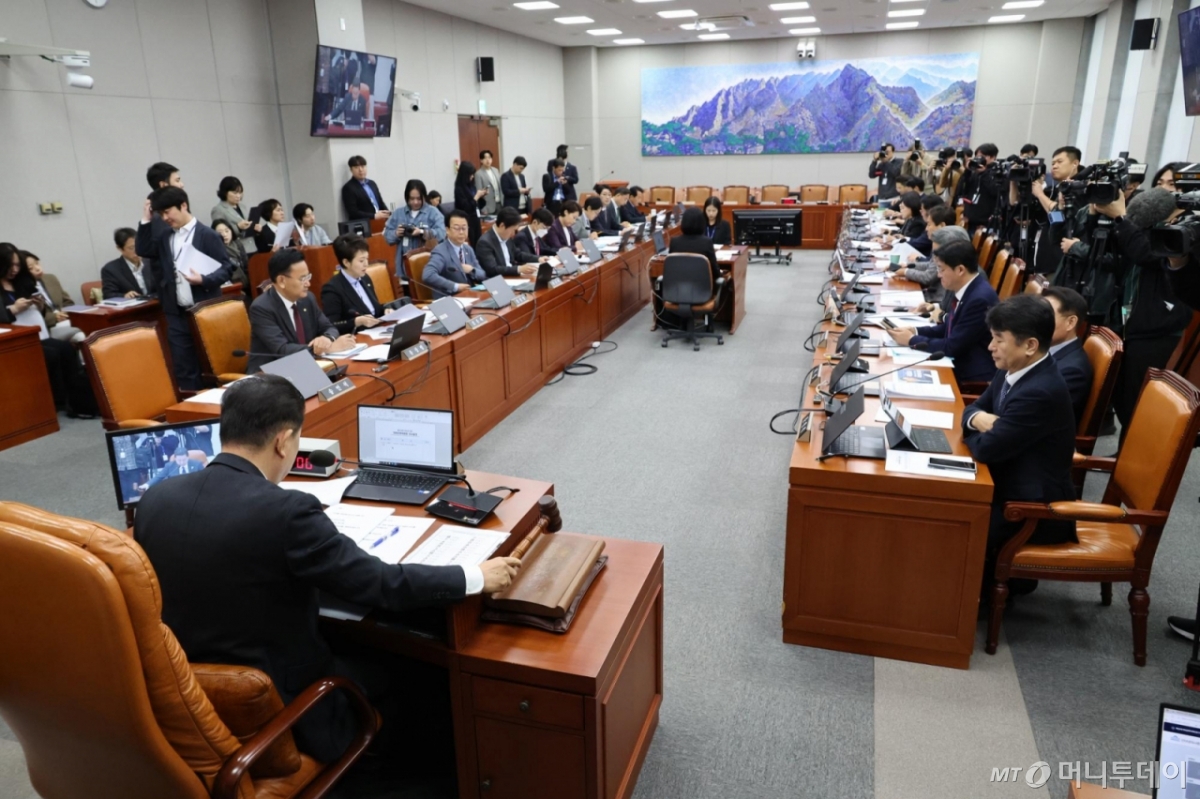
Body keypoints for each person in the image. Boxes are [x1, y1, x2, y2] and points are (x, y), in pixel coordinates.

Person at [133, 374, 520, 764]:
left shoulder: (155, 499)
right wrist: (473, 576)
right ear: (283, 441)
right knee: (415, 672)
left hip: (187, 700)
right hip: (282, 703)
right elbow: (380, 583)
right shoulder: (287, 512)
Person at [962, 295, 1077, 566]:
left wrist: (976, 426)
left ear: (1030, 345)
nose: (990, 347)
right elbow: (973, 409)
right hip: (1008, 482)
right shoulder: (1013, 367)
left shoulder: (1040, 391)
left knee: (953, 522)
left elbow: (987, 449)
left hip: (1031, 508)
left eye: (999, 339)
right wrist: (979, 420)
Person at [136, 186, 233, 390]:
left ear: (183, 205)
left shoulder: (207, 234)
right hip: (176, 310)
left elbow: (226, 268)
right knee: (184, 365)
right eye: (160, 213)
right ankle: (192, 408)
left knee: (212, 361)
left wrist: (204, 279)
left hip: (204, 309)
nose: (164, 218)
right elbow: (143, 249)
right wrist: (145, 219)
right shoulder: (166, 237)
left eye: (167, 211)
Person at [0, 244, 96, 418]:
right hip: (14, 341)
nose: (14, 270)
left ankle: (78, 401)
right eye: (9, 266)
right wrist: (13, 309)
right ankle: (57, 401)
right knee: (51, 354)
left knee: (66, 349)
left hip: (38, 333)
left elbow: (41, 312)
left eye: (17, 265)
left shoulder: (22, 281)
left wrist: (40, 305)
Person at [890, 239, 999, 383]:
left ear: (960, 270)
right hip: (956, 360)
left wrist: (911, 340)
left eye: (941, 269)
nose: (939, 275)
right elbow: (948, 327)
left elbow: (952, 346)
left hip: (970, 372)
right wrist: (914, 331)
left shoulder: (979, 299)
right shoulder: (966, 287)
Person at [246, 249, 356, 373]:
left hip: (306, 366)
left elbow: (329, 327)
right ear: (282, 281)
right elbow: (282, 349)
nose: (308, 283)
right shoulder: (261, 308)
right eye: (302, 278)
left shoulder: (308, 299)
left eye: (308, 276)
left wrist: (326, 339)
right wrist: (327, 349)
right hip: (272, 375)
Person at [1041, 286, 1094, 425]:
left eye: (1046, 315)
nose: (1037, 321)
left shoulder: (1072, 371)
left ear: (1070, 322)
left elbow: (1040, 420)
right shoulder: (1037, 349)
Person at [320, 234, 387, 335]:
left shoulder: (365, 278)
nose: (366, 264)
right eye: (361, 260)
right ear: (346, 262)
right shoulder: (332, 289)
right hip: (358, 338)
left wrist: (386, 310)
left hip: (379, 331)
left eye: (367, 259)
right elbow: (331, 325)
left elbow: (374, 310)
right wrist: (356, 322)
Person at [896, 217, 966, 308]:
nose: (939, 274)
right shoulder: (952, 264)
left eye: (929, 224)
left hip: (934, 299)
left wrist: (906, 271)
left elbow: (929, 277)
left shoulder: (964, 282)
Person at [22, 251, 84, 343]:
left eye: (37, 263)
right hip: (48, 327)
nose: (38, 268)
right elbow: (32, 317)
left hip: (65, 320)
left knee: (92, 325)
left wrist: (64, 313)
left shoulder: (50, 278)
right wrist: (54, 317)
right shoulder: (22, 289)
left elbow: (68, 302)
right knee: (80, 334)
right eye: (31, 268)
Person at [383, 179, 446, 270]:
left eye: (419, 199)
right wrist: (396, 233)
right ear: (406, 197)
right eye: (412, 199)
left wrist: (422, 232)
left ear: (424, 197)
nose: (415, 202)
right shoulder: (398, 213)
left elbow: (441, 234)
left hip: (429, 264)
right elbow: (387, 236)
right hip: (404, 266)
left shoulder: (433, 212)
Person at [423, 210, 481, 298]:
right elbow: (428, 275)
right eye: (457, 228)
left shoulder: (468, 249)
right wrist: (455, 286)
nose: (461, 232)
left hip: (470, 296)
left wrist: (472, 270)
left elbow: (482, 274)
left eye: (464, 228)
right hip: (449, 299)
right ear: (447, 230)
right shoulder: (440, 251)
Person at [476, 207, 540, 279]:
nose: (513, 234)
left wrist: (538, 259)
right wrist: (519, 269)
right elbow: (492, 269)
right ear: (502, 226)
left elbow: (518, 254)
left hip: (512, 278)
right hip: (498, 281)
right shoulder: (485, 242)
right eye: (513, 230)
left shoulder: (506, 237)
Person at [955, 143, 1003, 234]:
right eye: (977, 156)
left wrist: (984, 173)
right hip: (968, 221)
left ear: (992, 157)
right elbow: (962, 190)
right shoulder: (974, 172)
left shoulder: (997, 172)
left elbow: (994, 191)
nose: (979, 159)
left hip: (985, 223)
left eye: (982, 156)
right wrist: (968, 171)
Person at [102, 227, 158, 299]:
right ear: (119, 248)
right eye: (131, 248)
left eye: (139, 246)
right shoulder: (110, 270)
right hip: (134, 308)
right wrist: (124, 296)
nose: (137, 251)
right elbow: (108, 295)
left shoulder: (151, 262)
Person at [667, 207, 720, 283]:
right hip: (703, 290)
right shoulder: (706, 242)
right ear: (702, 223)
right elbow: (715, 272)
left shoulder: (675, 241)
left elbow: (671, 269)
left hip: (677, 289)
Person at [341, 155, 390, 222]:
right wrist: (374, 216)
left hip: (380, 221)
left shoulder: (372, 183)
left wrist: (388, 214)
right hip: (364, 225)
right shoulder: (348, 188)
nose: (360, 170)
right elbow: (353, 212)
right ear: (351, 170)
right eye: (356, 167)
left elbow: (380, 203)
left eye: (363, 166)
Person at [210, 176, 257, 243]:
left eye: (240, 193)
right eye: (235, 193)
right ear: (225, 192)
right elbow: (220, 233)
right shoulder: (218, 210)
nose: (238, 196)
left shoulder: (242, 206)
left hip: (252, 245)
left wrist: (255, 228)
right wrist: (238, 227)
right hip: (235, 249)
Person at [211, 219, 249, 292]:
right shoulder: (215, 250)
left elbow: (246, 264)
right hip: (231, 287)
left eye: (227, 231)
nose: (224, 235)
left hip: (245, 282)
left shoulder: (238, 244)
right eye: (220, 232)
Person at [455, 161, 486, 246]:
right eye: (470, 174)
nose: (472, 177)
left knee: (479, 242)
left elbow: (478, 205)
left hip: (476, 218)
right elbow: (466, 207)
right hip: (467, 221)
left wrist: (481, 196)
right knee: (471, 244)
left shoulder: (471, 186)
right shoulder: (459, 189)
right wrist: (476, 197)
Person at [475, 149, 503, 217]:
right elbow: (479, 191)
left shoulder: (496, 170)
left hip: (499, 203)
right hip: (488, 206)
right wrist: (484, 208)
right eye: (485, 158)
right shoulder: (478, 174)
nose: (488, 160)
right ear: (481, 160)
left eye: (489, 157)